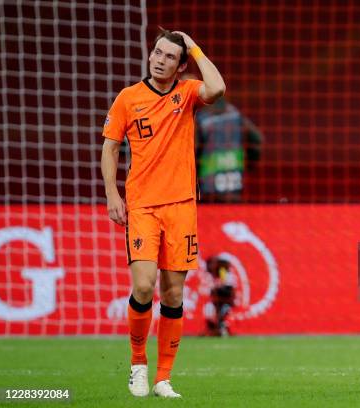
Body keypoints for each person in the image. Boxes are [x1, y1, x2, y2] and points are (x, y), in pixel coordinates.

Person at [101, 28, 225, 398]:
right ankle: (138, 365)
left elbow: (217, 88)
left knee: (173, 295)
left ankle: (163, 378)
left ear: (180, 65)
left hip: (182, 206)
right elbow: (110, 150)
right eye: (157, 52)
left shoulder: (186, 93)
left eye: (169, 56)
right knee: (143, 285)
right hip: (142, 206)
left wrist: (195, 47)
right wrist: (112, 194)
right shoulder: (128, 98)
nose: (159, 60)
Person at [181, 73, 262, 203]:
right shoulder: (234, 112)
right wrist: (249, 164)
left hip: (208, 190)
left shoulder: (201, 119)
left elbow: (192, 152)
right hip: (235, 185)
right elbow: (257, 139)